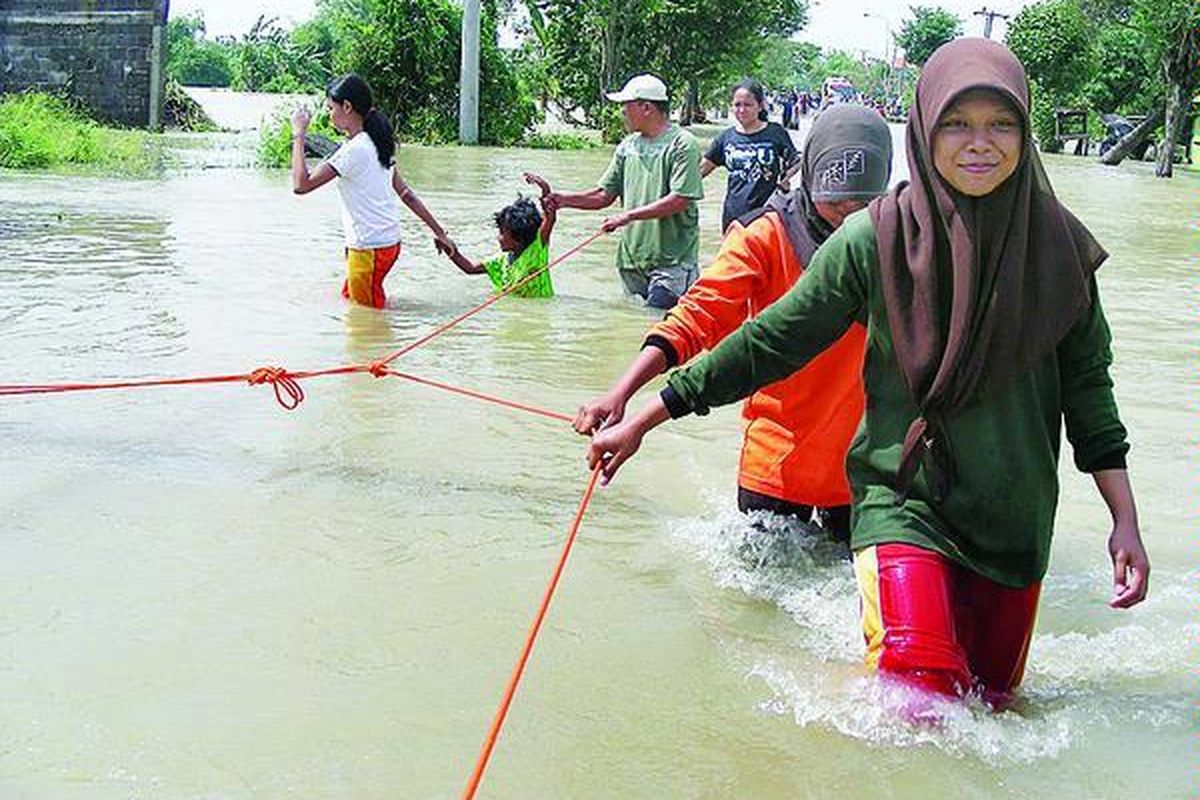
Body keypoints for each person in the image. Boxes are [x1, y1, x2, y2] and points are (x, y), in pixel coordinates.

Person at [585, 39, 1150, 712]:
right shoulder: (874, 239)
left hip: (1014, 521)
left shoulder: (1061, 251)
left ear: (1026, 135)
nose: (979, 143)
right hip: (900, 499)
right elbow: (768, 341)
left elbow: (1090, 393)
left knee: (993, 707)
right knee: (916, 697)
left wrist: (1125, 520)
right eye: (956, 124)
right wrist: (648, 411)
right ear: (923, 132)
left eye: (1000, 124)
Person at [575, 104, 893, 541]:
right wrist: (622, 392)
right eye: (836, 199)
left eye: (864, 203)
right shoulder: (765, 235)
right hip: (777, 467)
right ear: (812, 172)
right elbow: (699, 315)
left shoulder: (896, 243)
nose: (847, 213)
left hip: (863, 477)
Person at [532, 74, 703, 310]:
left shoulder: (683, 144)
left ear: (646, 107)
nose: (622, 112)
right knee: (632, 328)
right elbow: (604, 195)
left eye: (626, 106)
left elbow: (680, 200)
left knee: (659, 328)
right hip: (632, 260)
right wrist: (562, 200)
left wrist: (628, 216)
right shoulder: (628, 146)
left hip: (672, 262)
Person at [291, 74, 456, 309]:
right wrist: (440, 232)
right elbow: (406, 193)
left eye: (331, 108)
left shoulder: (353, 151)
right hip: (388, 244)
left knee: (367, 323)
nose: (329, 115)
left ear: (347, 107)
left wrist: (299, 134)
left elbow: (301, 185)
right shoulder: (378, 143)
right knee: (352, 301)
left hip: (369, 248)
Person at [701, 79, 798, 232]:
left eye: (748, 105)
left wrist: (785, 179)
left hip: (768, 214)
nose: (742, 110)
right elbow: (700, 171)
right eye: (737, 105)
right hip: (734, 215)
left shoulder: (775, 132)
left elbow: (796, 161)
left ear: (760, 106)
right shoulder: (725, 138)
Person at [439, 173, 557, 298]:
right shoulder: (499, 262)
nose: (498, 238)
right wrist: (449, 248)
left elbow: (549, 217)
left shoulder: (536, 249)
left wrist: (545, 188)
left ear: (518, 238)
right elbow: (470, 268)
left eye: (502, 233)